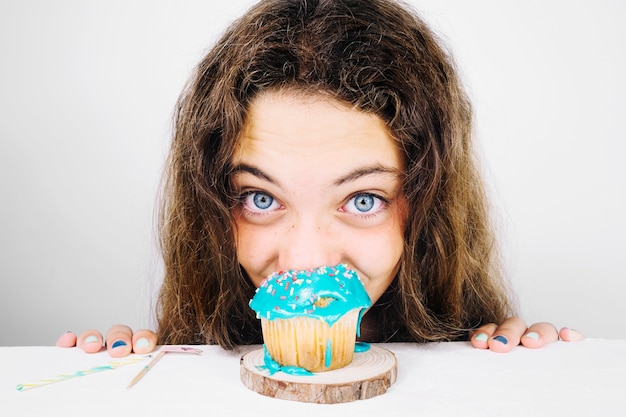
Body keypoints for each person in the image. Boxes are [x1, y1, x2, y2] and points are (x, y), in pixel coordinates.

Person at [56, 0, 583, 358]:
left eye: (362, 200)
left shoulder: (480, 361)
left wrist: (521, 376)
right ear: (211, 206)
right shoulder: (189, 369)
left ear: (427, 206)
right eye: (260, 198)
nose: (306, 260)